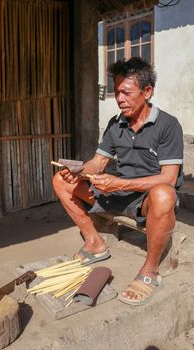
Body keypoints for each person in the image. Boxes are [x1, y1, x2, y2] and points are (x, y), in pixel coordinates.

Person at [53, 57, 183, 306]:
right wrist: (80, 171)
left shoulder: (168, 125)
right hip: (118, 194)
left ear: (147, 92)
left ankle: (150, 272)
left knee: (165, 193)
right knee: (61, 180)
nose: (120, 99)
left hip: (147, 200)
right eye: (116, 93)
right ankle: (95, 243)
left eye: (126, 92)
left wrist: (119, 184)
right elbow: (98, 163)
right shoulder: (116, 124)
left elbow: (169, 178)